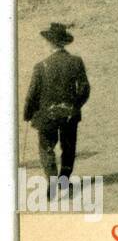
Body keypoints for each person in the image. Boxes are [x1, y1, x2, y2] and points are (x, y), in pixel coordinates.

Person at [22, 22, 90, 189]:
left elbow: (32, 95)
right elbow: (84, 89)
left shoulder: (40, 66)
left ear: (50, 43)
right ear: (64, 43)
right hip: (69, 114)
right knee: (68, 147)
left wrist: (27, 113)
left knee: (46, 148)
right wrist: (74, 106)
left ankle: (52, 182)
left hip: (47, 115)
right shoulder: (76, 61)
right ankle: (64, 180)